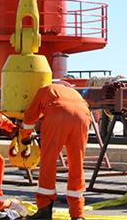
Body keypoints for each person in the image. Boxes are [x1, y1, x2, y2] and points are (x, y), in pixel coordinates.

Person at [21, 81, 92, 220]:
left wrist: (25, 137)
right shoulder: (74, 93)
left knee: (48, 162)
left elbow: (29, 118)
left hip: (58, 115)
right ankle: (77, 213)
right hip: (83, 117)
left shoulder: (46, 89)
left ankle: (44, 210)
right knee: (77, 164)